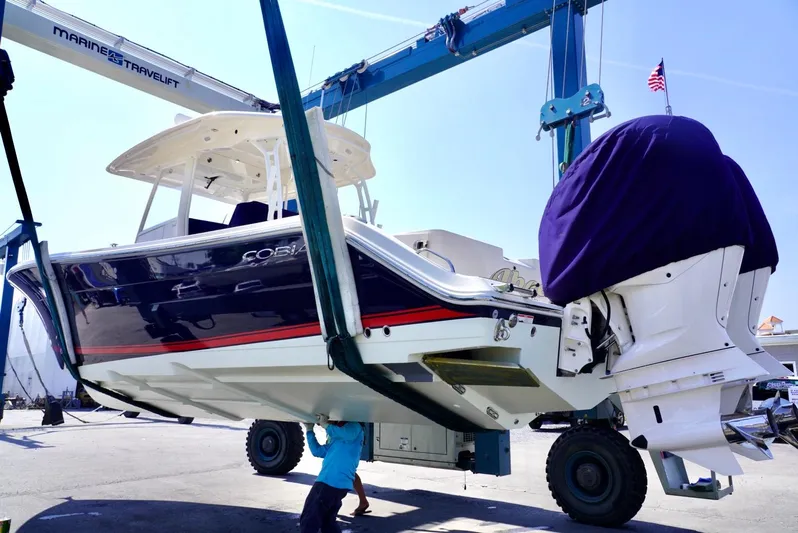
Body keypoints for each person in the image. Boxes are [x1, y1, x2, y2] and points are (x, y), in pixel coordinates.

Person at [300, 415, 364, 533]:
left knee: (309, 519)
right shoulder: (336, 436)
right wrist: (309, 431)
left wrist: (326, 426)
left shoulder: (354, 427)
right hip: (336, 486)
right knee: (328, 522)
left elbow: (346, 434)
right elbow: (317, 451)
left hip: (328, 483)